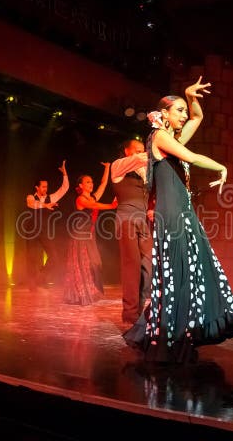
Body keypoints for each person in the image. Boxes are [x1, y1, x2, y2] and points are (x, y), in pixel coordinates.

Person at [123, 76, 233, 363]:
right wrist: (221, 167)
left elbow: (198, 116)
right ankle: (172, 333)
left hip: (184, 212)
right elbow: (191, 158)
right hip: (172, 215)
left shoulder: (173, 137)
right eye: (178, 110)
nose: (183, 115)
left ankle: (183, 330)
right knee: (178, 274)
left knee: (193, 271)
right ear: (164, 114)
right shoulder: (160, 137)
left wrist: (191, 96)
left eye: (182, 110)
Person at [63, 164, 118, 305]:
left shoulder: (93, 197)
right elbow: (95, 206)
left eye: (91, 182)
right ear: (80, 185)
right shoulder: (80, 199)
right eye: (87, 182)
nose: (91, 184)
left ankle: (94, 289)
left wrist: (107, 168)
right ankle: (81, 294)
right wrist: (111, 206)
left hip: (90, 235)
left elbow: (103, 184)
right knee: (83, 265)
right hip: (79, 235)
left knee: (96, 263)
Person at [111, 139, 152, 324]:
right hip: (126, 219)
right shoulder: (118, 166)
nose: (140, 152)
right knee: (132, 266)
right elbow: (140, 159)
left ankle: (140, 308)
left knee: (149, 266)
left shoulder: (143, 174)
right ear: (127, 151)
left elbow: (149, 193)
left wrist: (150, 208)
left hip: (142, 221)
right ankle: (130, 314)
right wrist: (157, 150)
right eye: (136, 150)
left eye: (142, 150)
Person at [24, 160, 69, 289]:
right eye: (43, 187)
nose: (45, 188)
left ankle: (41, 277)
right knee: (31, 258)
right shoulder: (30, 197)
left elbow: (64, 189)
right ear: (37, 188)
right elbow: (32, 204)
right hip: (31, 230)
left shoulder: (50, 197)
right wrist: (45, 205)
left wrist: (65, 174)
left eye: (46, 186)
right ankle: (32, 283)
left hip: (44, 231)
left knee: (54, 257)